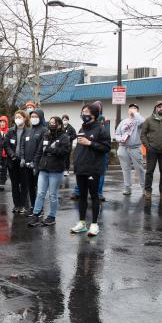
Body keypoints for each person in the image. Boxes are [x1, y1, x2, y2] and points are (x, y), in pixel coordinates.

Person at [70, 101, 111, 237]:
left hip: (93, 168)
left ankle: (94, 224)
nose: (83, 114)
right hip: (80, 167)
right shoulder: (82, 129)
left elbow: (106, 147)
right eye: (83, 112)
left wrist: (90, 143)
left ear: (94, 114)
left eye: (86, 112)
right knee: (82, 196)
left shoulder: (101, 129)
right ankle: (82, 223)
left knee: (93, 196)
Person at [28, 116, 70, 227]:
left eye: (54, 123)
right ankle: (36, 215)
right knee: (40, 193)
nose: (51, 124)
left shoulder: (64, 137)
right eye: (50, 123)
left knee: (52, 195)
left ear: (59, 125)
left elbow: (65, 152)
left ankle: (52, 216)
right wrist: (36, 165)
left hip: (56, 170)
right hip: (43, 169)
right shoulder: (46, 135)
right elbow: (39, 151)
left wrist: (51, 150)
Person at [115, 104, 146, 195]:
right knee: (125, 168)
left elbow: (142, 122)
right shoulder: (123, 121)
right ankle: (127, 187)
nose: (133, 110)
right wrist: (120, 139)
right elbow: (117, 133)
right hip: (123, 147)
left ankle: (144, 187)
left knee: (139, 168)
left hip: (135, 148)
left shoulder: (139, 121)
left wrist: (135, 113)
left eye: (135, 108)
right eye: (131, 108)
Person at [20, 109, 46, 216]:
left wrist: (35, 162)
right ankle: (33, 206)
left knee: (39, 187)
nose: (33, 118)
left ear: (40, 117)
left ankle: (40, 208)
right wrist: (22, 158)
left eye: (36, 116)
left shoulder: (44, 130)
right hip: (26, 164)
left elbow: (41, 149)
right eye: (32, 116)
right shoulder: (27, 130)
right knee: (30, 186)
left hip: (37, 164)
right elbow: (22, 145)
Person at [5, 110, 30, 214]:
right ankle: (16, 205)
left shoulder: (29, 131)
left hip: (24, 162)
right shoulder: (10, 131)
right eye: (16, 117)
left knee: (24, 184)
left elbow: (30, 146)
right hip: (13, 161)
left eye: (19, 117)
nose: (17, 119)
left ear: (24, 118)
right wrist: (12, 155)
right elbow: (6, 145)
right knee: (14, 185)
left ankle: (24, 205)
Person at [0, 115, 10, 190]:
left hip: (5, 154)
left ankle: (2, 182)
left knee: (4, 169)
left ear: (6, 123)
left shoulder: (9, 131)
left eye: (4, 122)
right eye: (1, 122)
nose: (2, 123)